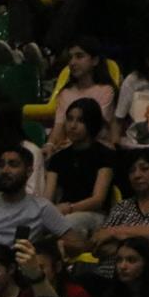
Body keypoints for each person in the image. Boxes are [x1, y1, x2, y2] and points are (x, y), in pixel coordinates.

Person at [0, 145, 86, 264]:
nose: (5, 170)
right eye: (1, 165)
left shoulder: (41, 207)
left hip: (20, 272)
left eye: (13, 165)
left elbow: (78, 244)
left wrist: (49, 249)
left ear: (29, 171)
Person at [90, 148, 149, 270]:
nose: (137, 175)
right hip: (111, 275)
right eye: (131, 171)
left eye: (145, 169)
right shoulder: (122, 206)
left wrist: (115, 233)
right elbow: (100, 244)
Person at [44, 97, 116, 239]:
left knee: (67, 223)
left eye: (80, 121)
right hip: (62, 212)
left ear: (92, 124)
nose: (72, 126)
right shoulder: (58, 158)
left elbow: (98, 199)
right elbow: (47, 198)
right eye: (70, 119)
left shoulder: (105, 155)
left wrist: (70, 208)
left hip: (94, 214)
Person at [43, 36, 117, 154]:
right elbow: (59, 126)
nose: (72, 62)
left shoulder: (106, 91)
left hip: (96, 151)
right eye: (70, 57)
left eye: (79, 56)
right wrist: (50, 145)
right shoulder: (65, 93)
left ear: (95, 60)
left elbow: (93, 128)